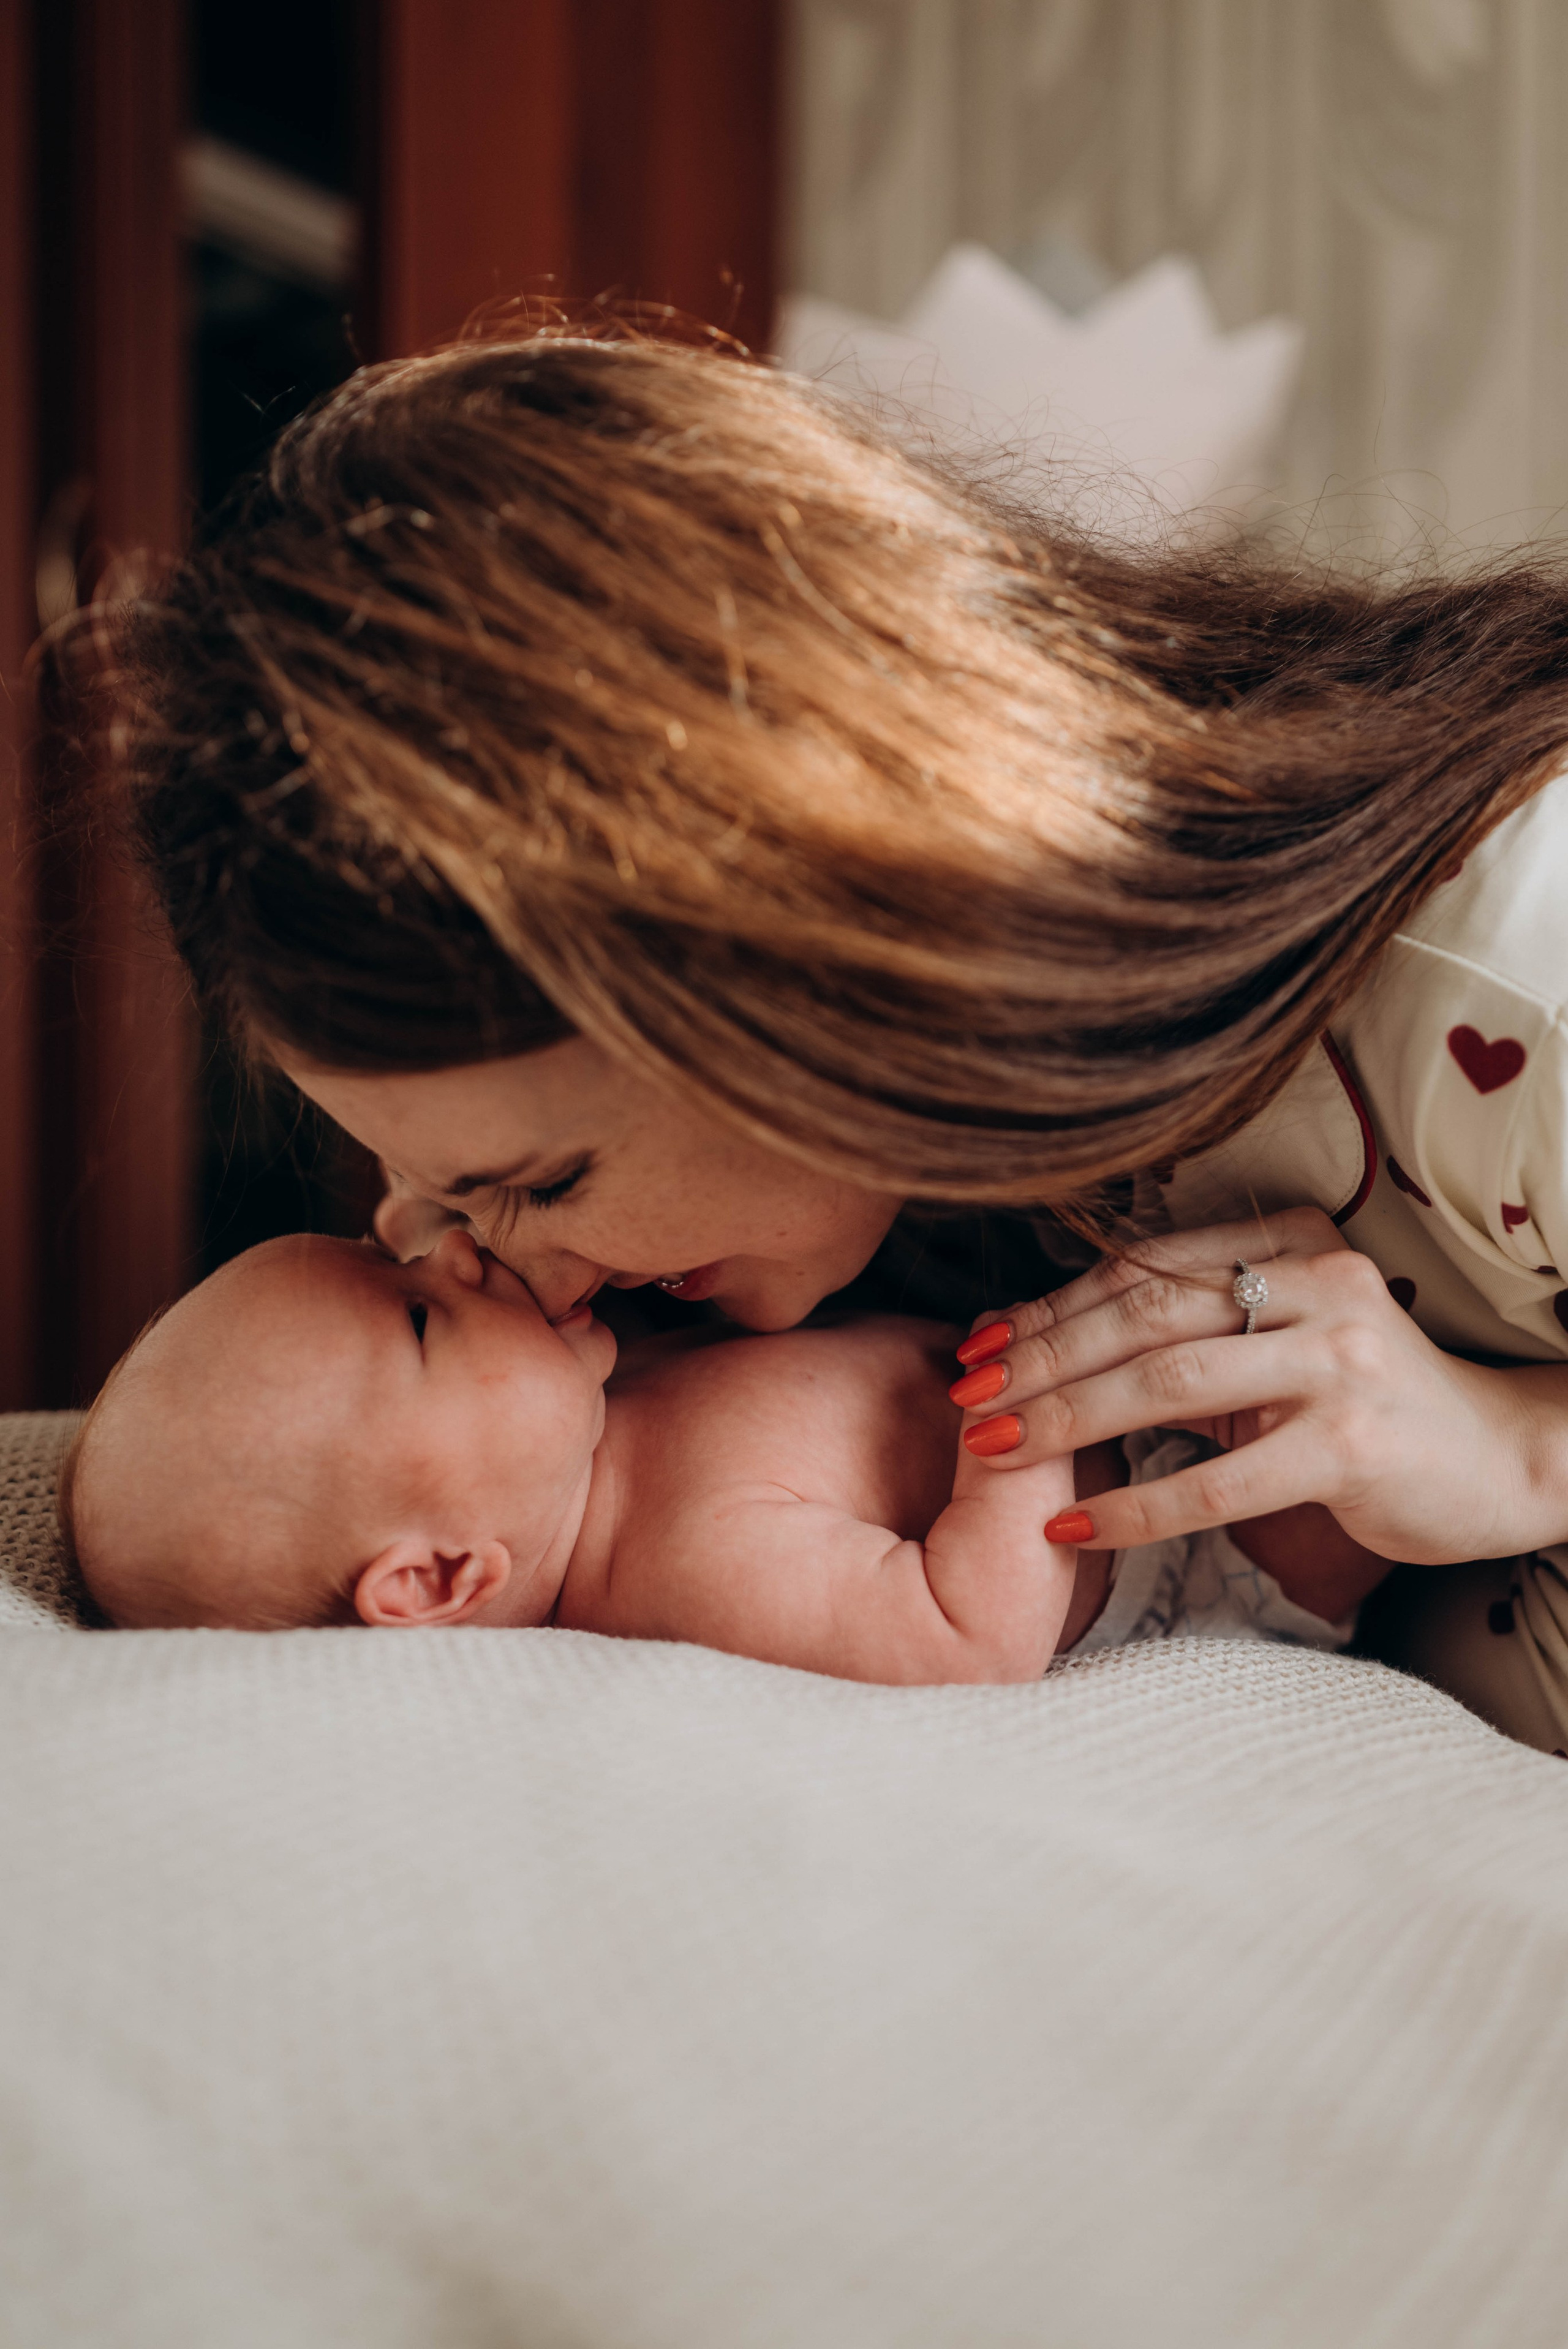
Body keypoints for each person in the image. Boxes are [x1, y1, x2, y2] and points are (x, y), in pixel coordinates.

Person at [113, 323, 1568, 1735]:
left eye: (545, 1181)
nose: (495, 1261)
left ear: (816, 943)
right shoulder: (857, 1245)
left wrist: (1518, 1449)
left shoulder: (1513, 984)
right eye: (425, 1188)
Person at [62, 1227, 1377, 1672]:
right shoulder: (681, 1569)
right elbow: (963, 1635)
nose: (452, 1248)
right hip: (1208, 1549)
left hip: (1142, 1398)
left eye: (392, 1249)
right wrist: (1010, 1435)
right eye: (417, 1312)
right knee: (1350, 1476)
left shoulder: (607, 1406)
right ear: (440, 1575)